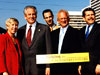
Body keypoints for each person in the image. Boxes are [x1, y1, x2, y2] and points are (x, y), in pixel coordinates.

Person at [17, 5, 52, 75]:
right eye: (29, 14)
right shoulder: (20, 30)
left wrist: (48, 66)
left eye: (33, 14)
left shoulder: (44, 29)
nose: (31, 16)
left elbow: (49, 48)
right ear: (25, 16)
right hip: (24, 68)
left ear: (36, 15)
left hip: (39, 68)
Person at [51, 9, 81, 75]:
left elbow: (79, 50)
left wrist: (79, 65)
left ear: (69, 19)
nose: (64, 20)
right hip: (55, 67)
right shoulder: (53, 34)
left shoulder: (76, 33)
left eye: (65, 18)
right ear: (58, 20)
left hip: (70, 68)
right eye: (61, 18)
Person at [78, 7, 100, 75]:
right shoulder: (81, 31)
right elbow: (80, 49)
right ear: (83, 18)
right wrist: (80, 64)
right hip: (84, 67)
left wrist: (99, 64)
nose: (91, 17)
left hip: (96, 67)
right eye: (88, 15)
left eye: (92, 14)